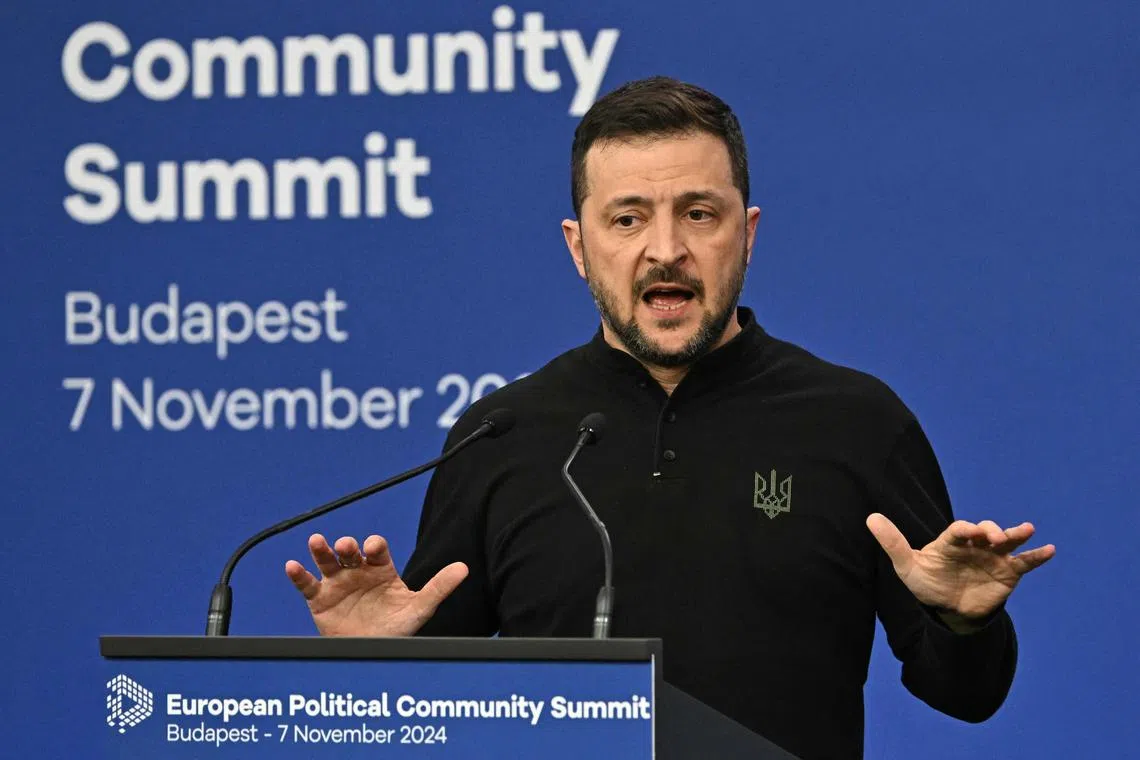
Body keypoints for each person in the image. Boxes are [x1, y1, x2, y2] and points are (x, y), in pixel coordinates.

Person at [284, 76, 1055, 759]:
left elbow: (968, 696)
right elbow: (430, 718)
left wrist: (963, 624)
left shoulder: (857, 424)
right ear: (578, 246)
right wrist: (372, 668)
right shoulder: (501, 435)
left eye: (698, 213)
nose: (665, 249)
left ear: (746, 234)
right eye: (626, 219)